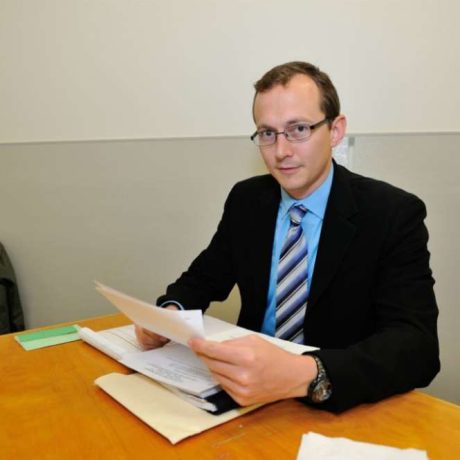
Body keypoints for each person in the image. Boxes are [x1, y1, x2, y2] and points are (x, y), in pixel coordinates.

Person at [135, 61, 440, 412]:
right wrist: (168, 315)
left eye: (298, 129)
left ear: (335, 130)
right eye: (267, 133)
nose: (280, 151)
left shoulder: (392, 213)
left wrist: (305, 373)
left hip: (339, 406)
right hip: (245, 401)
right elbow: (203, 279)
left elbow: (417, 348)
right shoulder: (247, 200)